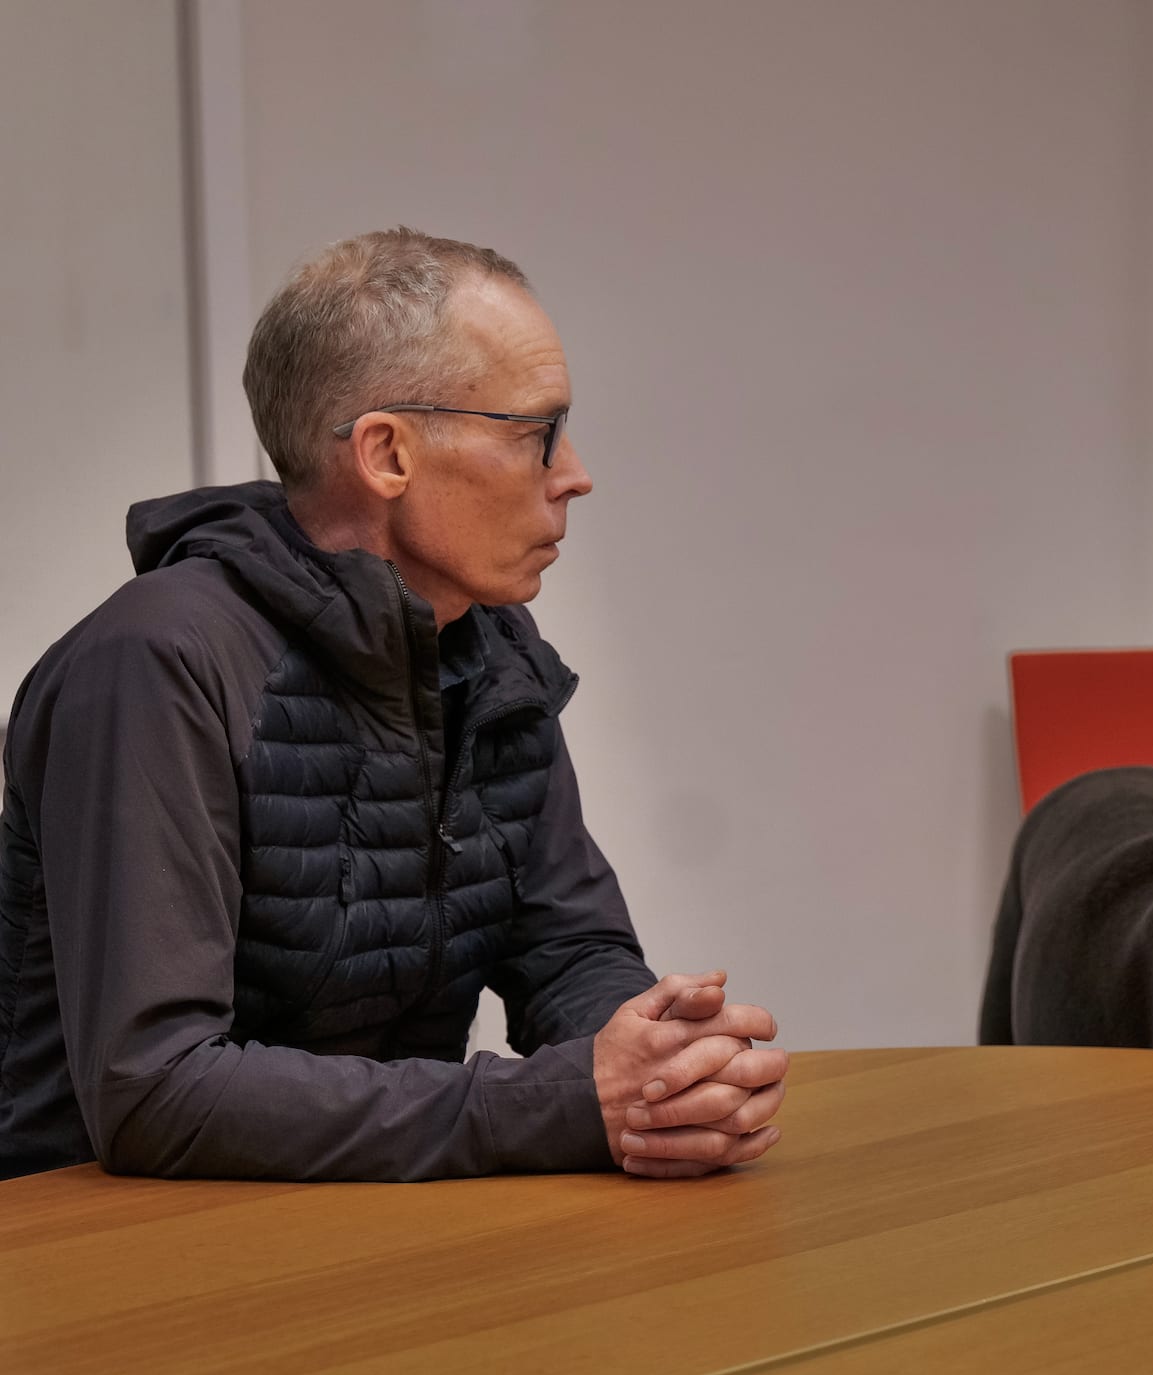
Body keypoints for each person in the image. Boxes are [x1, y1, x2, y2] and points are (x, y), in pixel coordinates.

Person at [0, 228, 785, 1180]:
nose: (574, 473)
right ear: (387, 454)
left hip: (375, 1230)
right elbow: (155, 1093)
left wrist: (666, 1076)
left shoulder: (487, 644)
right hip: (105, 1271)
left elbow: (571, 949)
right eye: (536, 432)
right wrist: (562, 1102)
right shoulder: (157, 662)